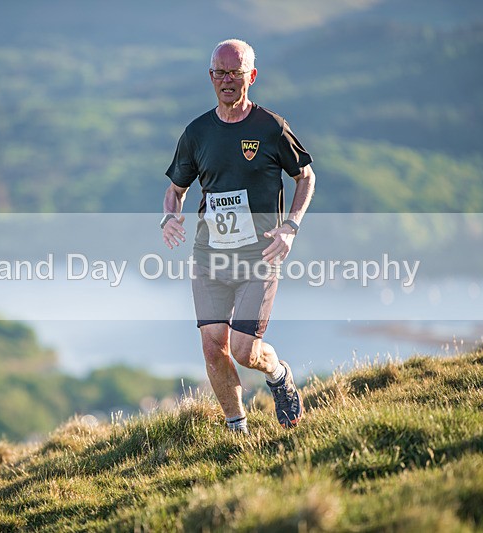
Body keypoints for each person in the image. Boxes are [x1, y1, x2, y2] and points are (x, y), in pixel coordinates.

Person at [160, 38, 316, 433]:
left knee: (246, 352)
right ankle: (237, 430)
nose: (227, 80)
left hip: (259, 257)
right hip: (209, 257)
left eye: (235, 73)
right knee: (214, 346)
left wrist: (291, 226)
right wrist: (170, 217)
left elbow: (305, 176)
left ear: (252, 76)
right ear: (210, 77)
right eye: (220, 73)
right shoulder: (196, 133)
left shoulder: (271, 127)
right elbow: (175, 190)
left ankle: (278, 374)